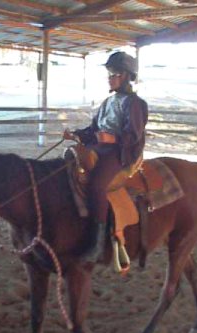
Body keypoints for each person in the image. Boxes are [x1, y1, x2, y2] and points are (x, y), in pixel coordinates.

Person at [63, 51, 148, 262]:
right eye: (110, 73)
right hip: (99, 147)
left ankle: (97, 242)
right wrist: (76, 134)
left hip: (119, 153)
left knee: (97, 185)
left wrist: (110, 138)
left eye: (115, 73)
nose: (110, 77)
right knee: (68, 165)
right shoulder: (108, 102)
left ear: (127, 76)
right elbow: (93, 128)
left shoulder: (134, 103)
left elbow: (133, 134)